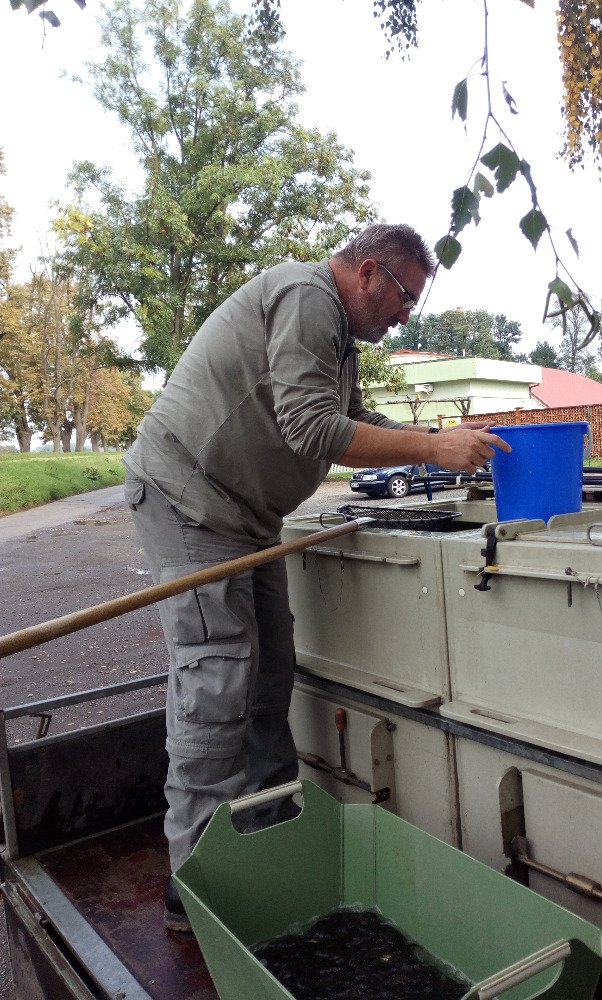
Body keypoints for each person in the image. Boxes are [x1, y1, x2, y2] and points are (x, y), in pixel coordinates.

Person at [123, 223, 508, 931]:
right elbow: (312, 430)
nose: (403, 317)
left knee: (268, 675)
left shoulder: (335, 332)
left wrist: (442, 448)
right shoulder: (307, 297)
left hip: (246, 514)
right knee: (218, 682)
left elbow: (349, 419)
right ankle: (198, 878)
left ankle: (270, 841)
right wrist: (431, 445)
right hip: (190, 500)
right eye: (404, 298)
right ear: (368, 272)